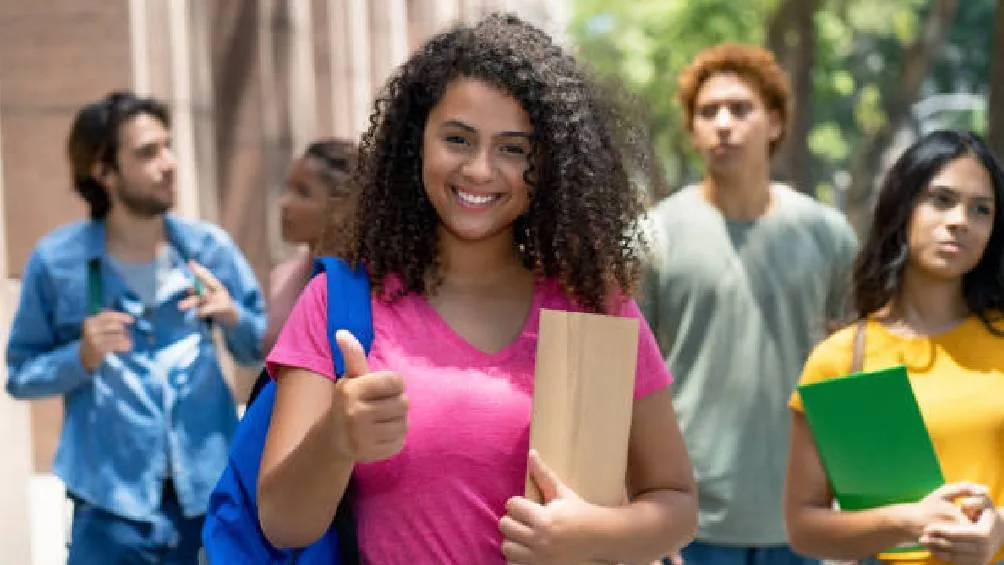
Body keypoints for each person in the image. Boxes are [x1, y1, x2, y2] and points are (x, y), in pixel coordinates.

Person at [256, 13, 698, 564]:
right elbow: (281, 524)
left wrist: (591, 536)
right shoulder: (339, 303)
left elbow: (677, 502)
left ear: (551, 165)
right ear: (416, 142)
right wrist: (337, 439)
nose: (480, 170)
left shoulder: (597, 308)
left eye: (514, 149)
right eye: (458, 139)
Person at [5, 91, 266, 564]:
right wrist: (79, 357)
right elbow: (21, 375)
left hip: (208, 502)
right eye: (148, 153)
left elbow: (260, 351)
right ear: (103, 172)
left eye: (167, 147)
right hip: (108, 511)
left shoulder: (209, 251)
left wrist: (232, 316)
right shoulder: (58, 262)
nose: (168, 163)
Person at [638, 44, 858, 565]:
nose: (723, 124)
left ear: (776, 122)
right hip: (691, 517)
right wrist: (642, 512)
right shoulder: (654, 236)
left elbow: (855, 373)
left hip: (803, 519)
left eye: (741, 109)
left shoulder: (827, 235)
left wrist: (855, 512)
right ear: (691, 129)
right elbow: (627, 383)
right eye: (707, 112)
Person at [785, 130, 1004, 565]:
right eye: (941, 200)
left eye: (981, 209)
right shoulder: (844, 359)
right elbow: (804, 526)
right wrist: (908, 521)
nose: (960, 219)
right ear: (902, 208)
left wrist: (999, 529)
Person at [261, 138, 357, 356]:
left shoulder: (366, 283)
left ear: (341, 206)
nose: (284, 203)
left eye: (303, 192)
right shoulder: (282, 279)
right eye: (287, 188)